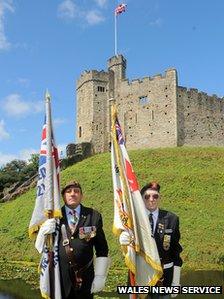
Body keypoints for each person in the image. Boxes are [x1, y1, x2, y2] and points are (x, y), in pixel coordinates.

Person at [35, 180, 110, 299]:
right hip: (59, 276)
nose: (72, 194)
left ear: (81, 195)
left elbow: (102, 249)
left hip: (85, 277)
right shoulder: (54, 217)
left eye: (76, 191)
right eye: (68, 191)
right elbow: (41, 248)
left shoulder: (93, 215)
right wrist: (42, 233)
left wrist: (100, 276)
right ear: (63, 196)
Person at [119, 181, 182, 298]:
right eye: (147, 196)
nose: (151, 199)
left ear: (159, 198)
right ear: (142, 199)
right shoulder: (133, 219)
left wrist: (176, 281)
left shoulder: (172, 218)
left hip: (163, 278)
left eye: (155, 196)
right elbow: (129, 248)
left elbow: (176, 250)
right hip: (139, 276)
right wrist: (124, 241)